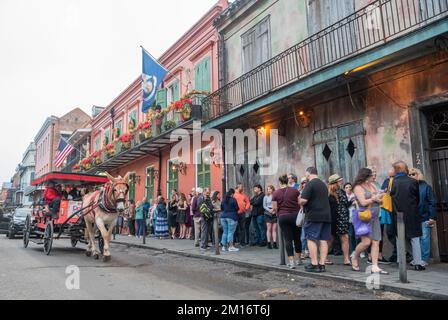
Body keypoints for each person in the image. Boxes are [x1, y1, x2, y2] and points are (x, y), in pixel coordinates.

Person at [351, 168, 388, 274]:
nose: (374, 176)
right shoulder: (358, 187)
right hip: (364, 217)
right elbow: (362, 202)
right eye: (372, 175)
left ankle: (375, 266)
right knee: (366, 243)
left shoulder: (372, 185)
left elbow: (378, 199)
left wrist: (380, 199)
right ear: (366, 176)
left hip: (375, 217)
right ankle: (354, 256)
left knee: (376, 241)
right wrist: (374, 198)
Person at [390, 161, 425, 271]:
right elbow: (417, 198)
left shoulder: (393, 182)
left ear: (396, 170)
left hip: (398, 214)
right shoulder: (413, 181)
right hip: (412, 213)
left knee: (399, 238)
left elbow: (392, 198)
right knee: (415, 238)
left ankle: (400, 261)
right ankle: (418, 263)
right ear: (406, 169)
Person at [299, 167, 332, 273]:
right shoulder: (323, 185)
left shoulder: (310, 184)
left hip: (314, 216)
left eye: (306, 175)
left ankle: (314, 264)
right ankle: (322, 264)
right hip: (326, 216)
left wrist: (299, 199)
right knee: (323, 240)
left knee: (311, 239)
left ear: (308, 174)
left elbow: (303, 200)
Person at [273, 174, 302, 269]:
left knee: (287, 239)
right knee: (297, 238)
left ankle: (291, 262)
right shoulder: (295, 191)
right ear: (287, 181)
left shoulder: (276, 193)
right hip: (295, 216)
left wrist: (279, 211)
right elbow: (300, 203)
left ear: (280, 182)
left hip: (283, 217)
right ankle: (299, 259)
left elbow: (275, 208)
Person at [409, 168, 436, 266]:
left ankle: (424, 259)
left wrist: (432, 217)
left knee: (424, 238)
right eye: (409, 174)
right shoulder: (409, 186)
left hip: (424, 216)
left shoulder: (426, 187)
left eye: (413, 174)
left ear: (418, 175)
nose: (411, 176)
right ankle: (417, 259)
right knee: (416, 239)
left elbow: (432, 202)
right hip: (413, 217)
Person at [327, 174, 351, 266]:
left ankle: (346, 259)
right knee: (330, 239)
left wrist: (351, 201)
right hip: (334, 218)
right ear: (334, 182)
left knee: (345, 237)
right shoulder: (329, 193)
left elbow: (344, 204)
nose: (341, 182)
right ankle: (324, 258)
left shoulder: (342, 191)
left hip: (343, 218)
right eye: (339, 180)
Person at [344, 183, 358, 255]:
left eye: (349, 187)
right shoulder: (344, 197)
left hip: (356, 217)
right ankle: (353, 251)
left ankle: (359, 251)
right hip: (348, 218)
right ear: (344, 189)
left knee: (358, 235)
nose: (348, 188)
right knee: (351, 235)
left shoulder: (355, 196)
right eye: (346, 187)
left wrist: (356, 203)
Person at [263, 185, 278, 249]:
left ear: (273, 189)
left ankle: (274, 243)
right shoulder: (266, 197)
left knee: (274, 229)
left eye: (270, 189)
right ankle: (269, 243)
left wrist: (274, 210)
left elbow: (277, 204)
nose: (269, 190)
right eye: (268, 189)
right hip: (267, 213)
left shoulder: (275, 196)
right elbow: (264, 205)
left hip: (274, 212)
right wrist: (269, 210)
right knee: (269, 228)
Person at [299, 178, 309, 259]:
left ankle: (307, 251)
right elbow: (299, 203)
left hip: (311, 214)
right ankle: (302, 251)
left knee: (309, 234)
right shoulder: (300, 192)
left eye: (305, 182)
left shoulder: (311, 191)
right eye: (303, 183)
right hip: (304, 214)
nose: (304, 184)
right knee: (303, 234)